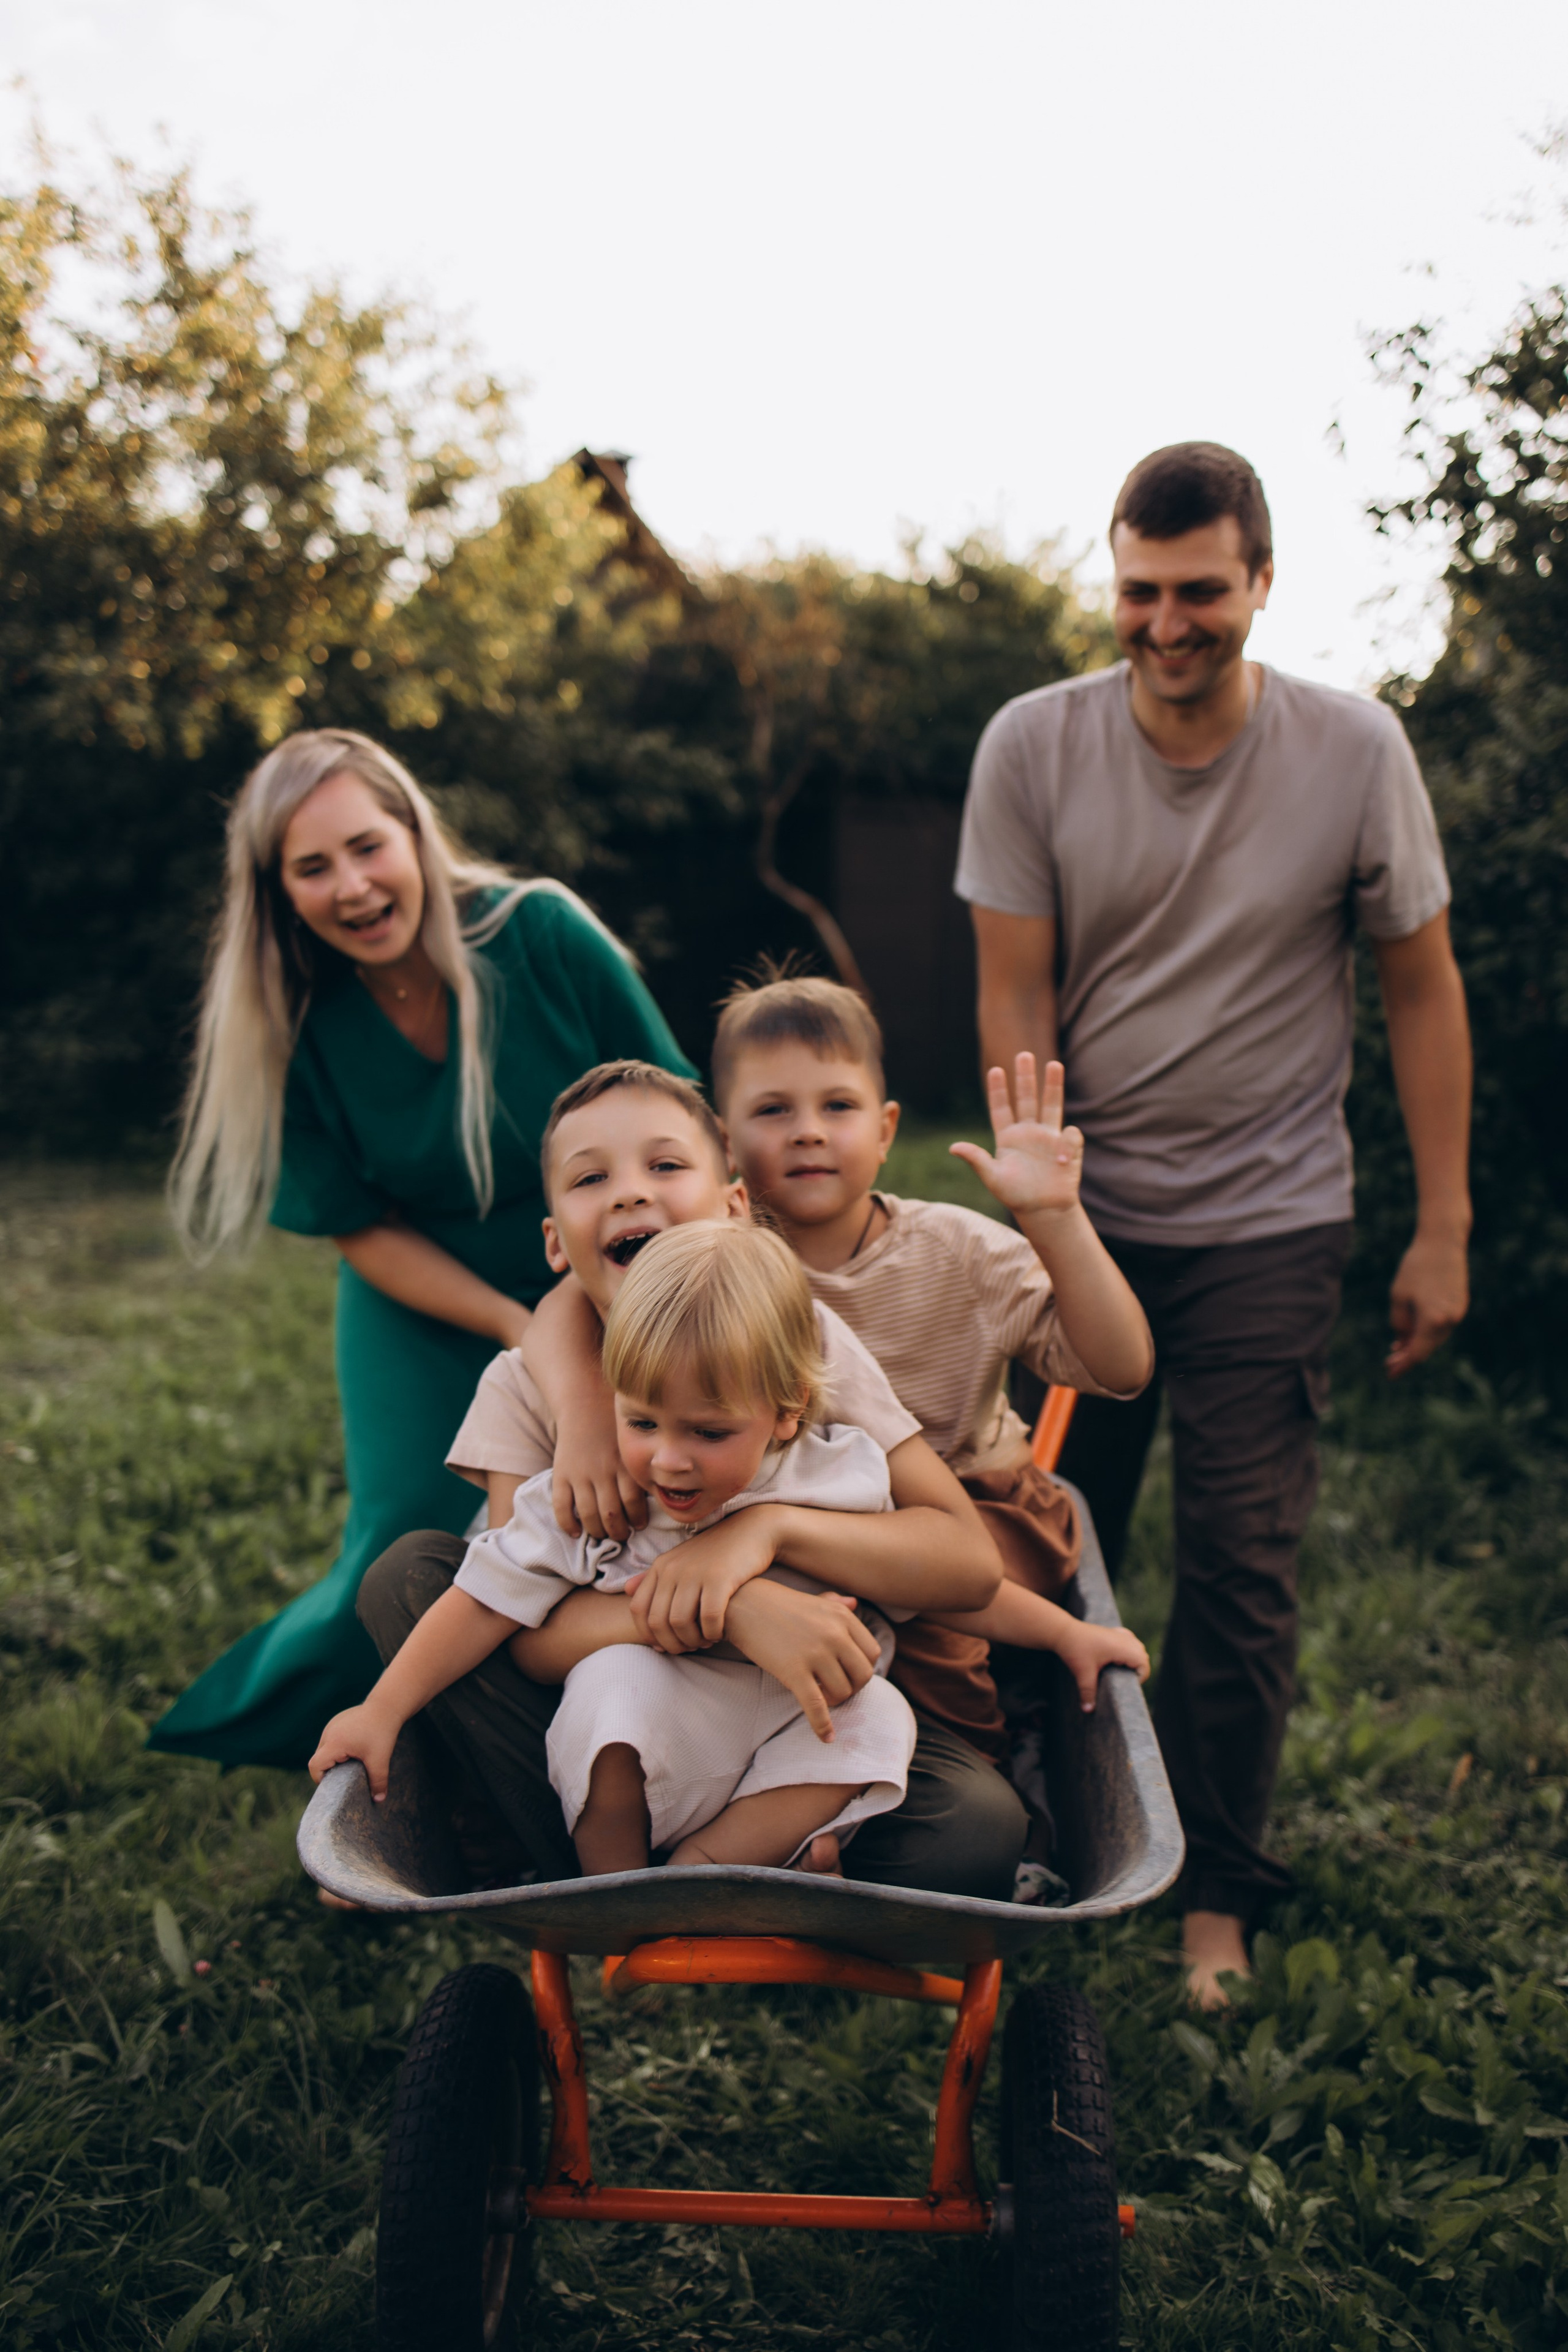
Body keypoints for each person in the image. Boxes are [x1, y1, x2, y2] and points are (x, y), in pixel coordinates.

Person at [954, 441, 1472, 2003]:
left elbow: (1417, 986)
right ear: (1110, 582)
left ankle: (1211, 1897)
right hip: (1085, 1225)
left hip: (1268, 1221)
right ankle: (1040, 1836)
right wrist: (1039, 1209)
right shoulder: (1030, 746)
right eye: (1136, 590)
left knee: (1240, 1565)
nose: (1164, 622)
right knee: (1037, 1543)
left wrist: (1437, 1220)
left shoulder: (1352, 748)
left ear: (1258, 582)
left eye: (1197, 591)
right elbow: (1011, 987)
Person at [149, 728, 696, 1771]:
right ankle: (377, 1740)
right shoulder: (294, 1010)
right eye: (313, 868)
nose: (352, 887)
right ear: (277, 891)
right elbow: (357, 1226)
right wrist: (522, 1334)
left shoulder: (540, 935)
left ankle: (607, 1732)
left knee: (628, 1493)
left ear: (415, 833)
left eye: (368, 846)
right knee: (407, 1542)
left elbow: (675, 1111)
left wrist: (598, 1313)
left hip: (609, 1256)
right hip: (423, 1295)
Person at [357, 1059, 1028, 1898]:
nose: (633, 1194)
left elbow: (963, 1563)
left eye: (667, 1165)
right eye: (592, 1177)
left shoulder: (801, 1344)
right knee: (412, 1580)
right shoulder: (525, 1387)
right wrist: (734, 1612)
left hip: (793, 1708)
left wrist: (764, 1532)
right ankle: (614, 1878)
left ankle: (727, 1857)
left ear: (736, 1208)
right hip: (613, 1717)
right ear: (555, 1242)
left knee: (977, 1828)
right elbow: (525, 1627)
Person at [312, 1221, 922, 1875]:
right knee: (611, 1687)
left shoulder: (839, 1475)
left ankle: (706, 1870)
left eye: (708, 1432)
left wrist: (1050, 1630)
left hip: (792, 1719)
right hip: (658, 1720)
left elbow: (925, 1575)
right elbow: (483, 1598)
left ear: (787, 1408)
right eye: (640, 1422)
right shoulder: (595, 1503)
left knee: (880, 1716)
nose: (669, 1461)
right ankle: (617, 1894)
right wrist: (382, 1709)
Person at [701, 970, 1152, 1757]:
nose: (808, 1130)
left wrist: (1057, 1220)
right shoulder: (723, 1271)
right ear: (724, 1140)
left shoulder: (956, 1250)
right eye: (774, 1110)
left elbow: (1120, 1368)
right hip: (819, 1523)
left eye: (836, 1106)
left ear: (884, 1129)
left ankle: (988, 1786)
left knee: (909, 1616)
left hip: (983, 1511)